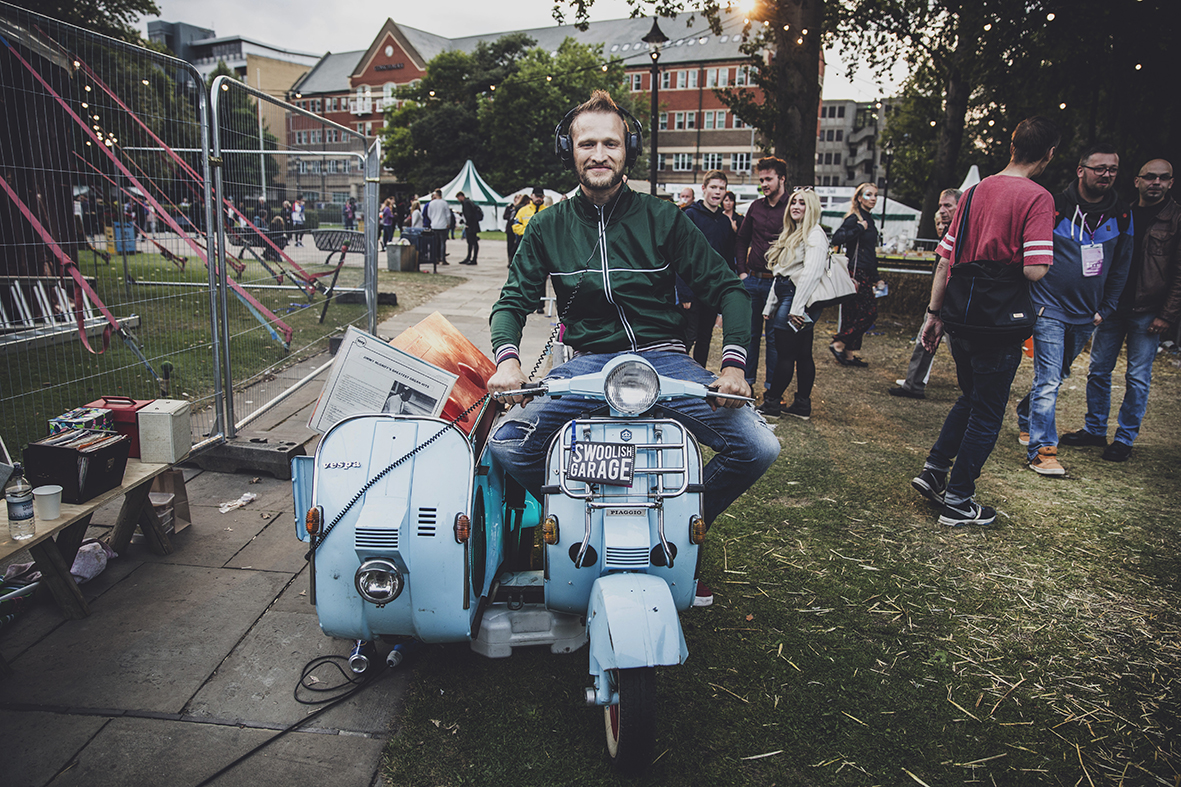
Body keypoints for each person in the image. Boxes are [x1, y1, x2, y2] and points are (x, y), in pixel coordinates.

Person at [487, 90, 779, 607]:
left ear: (629, 150)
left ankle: (677, 529)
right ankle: (576, 521)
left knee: (757, 447)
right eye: (587, 143)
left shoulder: (663, 217)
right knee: (507, 446)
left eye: (610, 143)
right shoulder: (547, 225)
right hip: (586, 366)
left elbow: (728, 290)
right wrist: (508, 360)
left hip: (663, 358)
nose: (599, 154)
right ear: (568, 150)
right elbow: (513, 300)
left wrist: (733, 365)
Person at [910, 115, 1058, 527]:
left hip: (960, 316)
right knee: (989, 411)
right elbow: (1035, 270)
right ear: (1049, 154)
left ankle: (934, 471)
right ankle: (958, 499)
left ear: (1011, 147)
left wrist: (933, 316)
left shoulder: (973, 193)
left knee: (971, 398)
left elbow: (944, 261)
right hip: (1000, 321)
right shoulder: (1038, 198)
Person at [1015, 143, 1132, 476]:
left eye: (1112, 169)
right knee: (1049, 380)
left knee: (1057, 376)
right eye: (1099, 168)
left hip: (1088, 313)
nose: (1107, 174)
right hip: (1048, 308)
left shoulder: (1122, 215)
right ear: (1081, 170)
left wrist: (1106, 308)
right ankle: (1042, 451)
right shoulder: (1055, 206)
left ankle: (1026, 412)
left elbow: (1122, 267)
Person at [1060, 158, 1180, 462]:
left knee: (1138, 376)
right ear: (1137, 181)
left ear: (1171, 183)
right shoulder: (1121, 213)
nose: (1156, 183)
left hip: (1148, 310)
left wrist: (1167, 314)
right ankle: (1095, 429)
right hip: (1112, 307)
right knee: (1098, 370)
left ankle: (1125, 438)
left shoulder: (1176, 219)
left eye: (1163, 178)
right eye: (1150, 177)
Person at [755, 187, 829, 419]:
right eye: (794, 202)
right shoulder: (794, 232)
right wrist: (770, 306)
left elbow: (811, 274)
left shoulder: (814, 234)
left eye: (803, 203)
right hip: (789, 297)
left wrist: (797, 308)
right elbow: (782, 275)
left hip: (797, 300)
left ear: (812, 208)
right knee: (802, 353)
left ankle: (772, 403)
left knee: (785, 353)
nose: (796, 206)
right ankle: (801, 405)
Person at [890, 188, 962, 398]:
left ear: (960, 206)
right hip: (938, 301)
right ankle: (913, 384)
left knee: (958, 350)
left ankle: (977, 386)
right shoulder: (946, 232)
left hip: (954, 302)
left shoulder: (963, 232)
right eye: (940, 205)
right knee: (925, 341)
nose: (942, 210)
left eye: (947, 205)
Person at [735, 156, 789, 390]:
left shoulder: (792, 207)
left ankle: (772, 388)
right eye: (761, 180)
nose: (764, 184)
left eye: (769, 179)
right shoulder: (756, 207)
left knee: (776, 340)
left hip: (778, 284)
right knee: (750, 336)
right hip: (753, 281)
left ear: (782, 179)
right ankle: (747, 385)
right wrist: (742, 272)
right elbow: (742, 239)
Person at [682, 170, 736, 366]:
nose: (717, 192)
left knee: (705, 338)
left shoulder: (724, 222)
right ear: (704, 189)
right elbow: (682, 255)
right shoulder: (690, 215)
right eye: (713, 187)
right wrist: (685, 293)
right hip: (693, 289)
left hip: (712, 291)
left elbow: (729, 260)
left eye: (721, 188)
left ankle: (699, 377)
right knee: (687, 337)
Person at [830, 183, 885, 367]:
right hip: (855, 271)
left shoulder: (870, 219)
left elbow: (870, 252)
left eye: (875, 195)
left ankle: (848, 354)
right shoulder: (855, 218)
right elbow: (837, 238)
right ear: (859, 198)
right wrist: (859, 229)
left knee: (853, 313)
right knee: (869, 313)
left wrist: (876, 277)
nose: (873, 198)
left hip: (864, 271)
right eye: (869, 195)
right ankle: (839, 342)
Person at [456, 191, 484, 265]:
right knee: (471, 242)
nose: (458, 200)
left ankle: (473, 258)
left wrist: (467, 223)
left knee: (472, 242)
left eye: (458, 198)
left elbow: (469, 215)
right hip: (473, 224)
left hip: (471, 225)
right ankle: (470, 257)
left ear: (461, 196)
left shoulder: (466, 203)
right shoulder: (469, 202)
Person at [425, 189, 452, 265]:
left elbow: (429, 214)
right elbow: (448, 215)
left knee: (435, 243)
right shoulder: (444, 203)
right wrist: (448, 223)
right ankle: (443, 258)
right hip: (443, 225)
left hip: (434, 225)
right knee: (442, 243)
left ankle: (436, 258)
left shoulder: (431, 203)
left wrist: (433, 220)